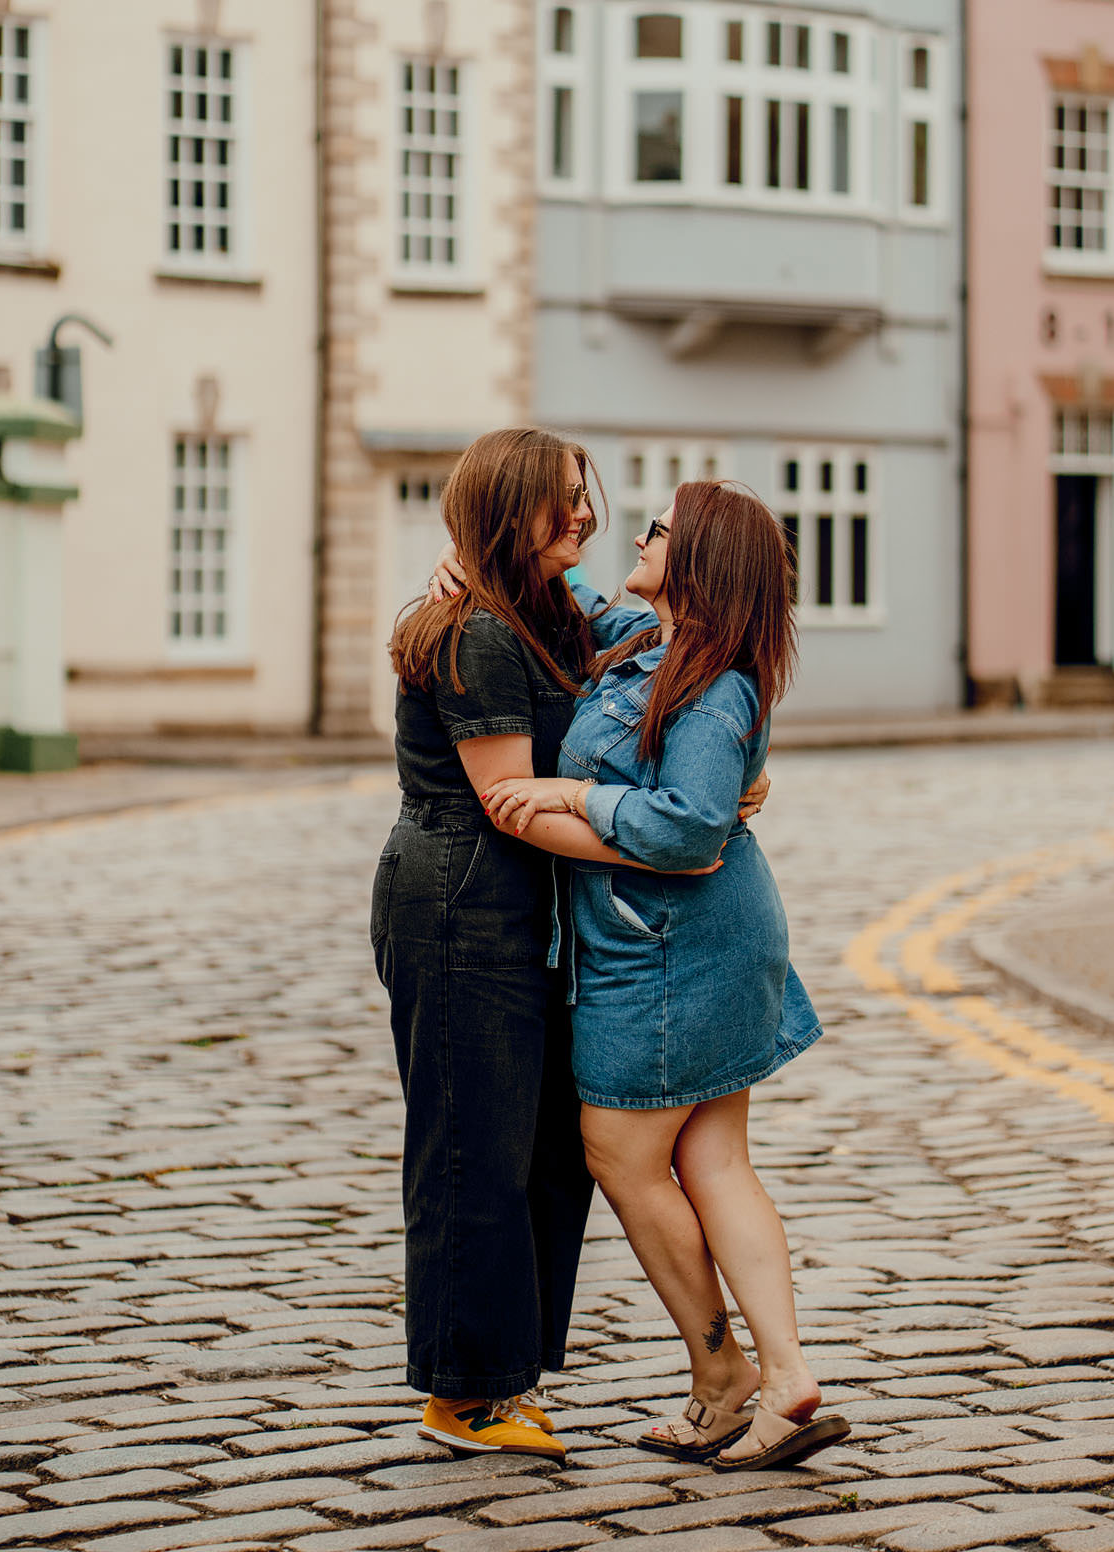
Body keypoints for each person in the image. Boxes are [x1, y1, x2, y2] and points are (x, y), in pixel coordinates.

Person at [375, 428, 737, 1465]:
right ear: (509, 506)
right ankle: (464, 1393)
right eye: (563, 498)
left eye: (585, 495)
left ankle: (505, 1372)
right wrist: (671, 839)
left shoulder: (548, 615)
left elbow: (666, 635)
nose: (584, 514)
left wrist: (707, 790)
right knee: (471, 1149)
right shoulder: (477, 633)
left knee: (539, 1151)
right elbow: (508, 798)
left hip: (523, 907)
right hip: (461, 902)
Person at [481, 482, 849, 1471]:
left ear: (699, 563)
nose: (638, 536)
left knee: (621, 1150)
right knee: (715, 1157)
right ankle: (781, 1377)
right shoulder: (654, 644)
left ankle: (726, 1374)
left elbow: (687, 829)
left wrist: (574, 794)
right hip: (690, 936)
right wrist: (474, 568)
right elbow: (578, 604)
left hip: (672, 945)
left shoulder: (713, 688)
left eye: (659, 529)